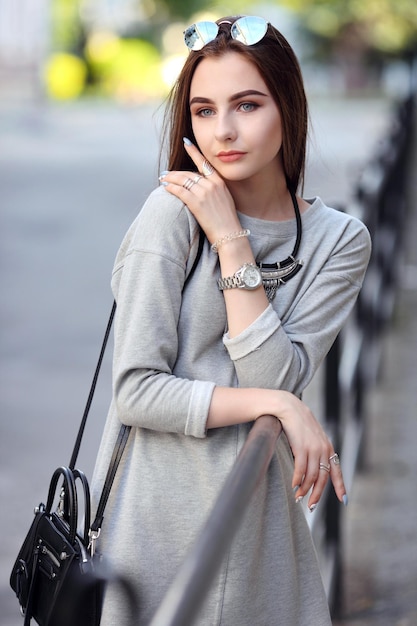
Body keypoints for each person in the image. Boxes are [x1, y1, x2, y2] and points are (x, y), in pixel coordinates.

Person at [91, 15, 371, 626]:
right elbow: (136, 390)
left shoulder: (338, 240)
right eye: (203, 110)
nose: (223, 131)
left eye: (246, 105)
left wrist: (232, 243)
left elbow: (270, 375)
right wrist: (285, 407)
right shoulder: (169, 214)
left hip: (257, 527)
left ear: (288, 107)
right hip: (154, 523)